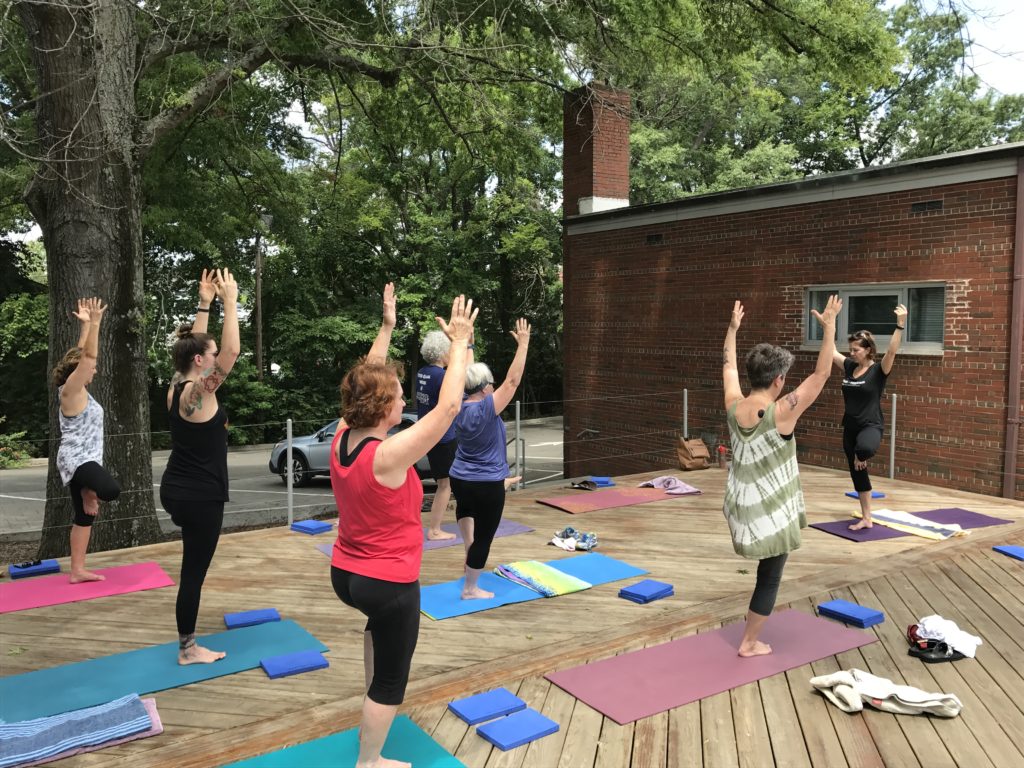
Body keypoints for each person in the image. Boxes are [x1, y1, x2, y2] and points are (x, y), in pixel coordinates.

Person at [329, 284, 476, 768]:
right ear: (383, 408)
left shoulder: (341, 437)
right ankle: (369, 762)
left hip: (347, 574)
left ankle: (370, 736)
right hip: (387, 581)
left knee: (379, 635)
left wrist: (387, 328)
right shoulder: (388, 456)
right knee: (392, 682)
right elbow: (449, 408)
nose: (402, 402)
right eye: (396, 396)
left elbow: (363, 380)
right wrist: (459, 346)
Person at [722, 296, 842, 657]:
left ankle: (751, 635)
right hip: (770, 515)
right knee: (770, 576)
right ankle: (749, 642)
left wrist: (732, 329)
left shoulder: (734, 405)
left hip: (741, 509)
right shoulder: (780, 414)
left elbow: (728, 369)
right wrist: (830, 327)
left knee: (767, 572)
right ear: (778, 380)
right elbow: (821, 374)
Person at [160, 269, 239, 665]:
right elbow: (230, 354)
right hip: (200, 495)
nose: (214, 362)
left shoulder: (176, 386)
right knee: (193, 572)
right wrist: (230, 301)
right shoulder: (197, 391)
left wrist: (204, 303)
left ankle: (188, 643)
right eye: (208, 358)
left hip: (177, 487)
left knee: (193, 567)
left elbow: (194, 345)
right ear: (200, 362)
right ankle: (188, 649)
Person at [449, 318, 531, 600]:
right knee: (485, 537)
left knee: (465, 510)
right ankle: (470, 588)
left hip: (459, 478)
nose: (495, 387)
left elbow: (466, 372)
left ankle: (468, 549)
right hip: (486, 483)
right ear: (485, 388)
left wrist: (467, 342)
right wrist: (523, 345)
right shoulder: (486, 409)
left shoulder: (458, 401)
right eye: (491, 384)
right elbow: (513, 381)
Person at [52, 297, 121, 583]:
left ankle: (77, 570)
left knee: (85, 517)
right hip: (77, 458)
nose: (94, 369)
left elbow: (82, 355)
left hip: (86, 459)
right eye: (89, 367)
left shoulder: (79, 389)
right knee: (110, 490)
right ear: (77, 373)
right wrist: (95, 323)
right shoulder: (70, 390)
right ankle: (88, 489)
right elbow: (88, 358)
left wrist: (84, 326)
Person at [834, 304, 908, 530]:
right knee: (858, 473)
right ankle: (867, 518)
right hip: (851, 427)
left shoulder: (878, 371)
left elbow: (892, 351)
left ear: (867, 350)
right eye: (851, 349)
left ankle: (861, 454)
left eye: (856, 349)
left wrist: (900, 324)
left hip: (871, 425)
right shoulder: (848, 367)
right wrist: (828, 325)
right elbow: (829, 352)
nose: (852, 353)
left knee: (864, 449)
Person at [415, 330, 459, 541]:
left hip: (427, 433)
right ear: (442, 353)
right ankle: (434, 529)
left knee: (449, 481)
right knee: (445, 485)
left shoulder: (422, 372)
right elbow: (455, 399)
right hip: (442, 437)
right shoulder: (441, 376)